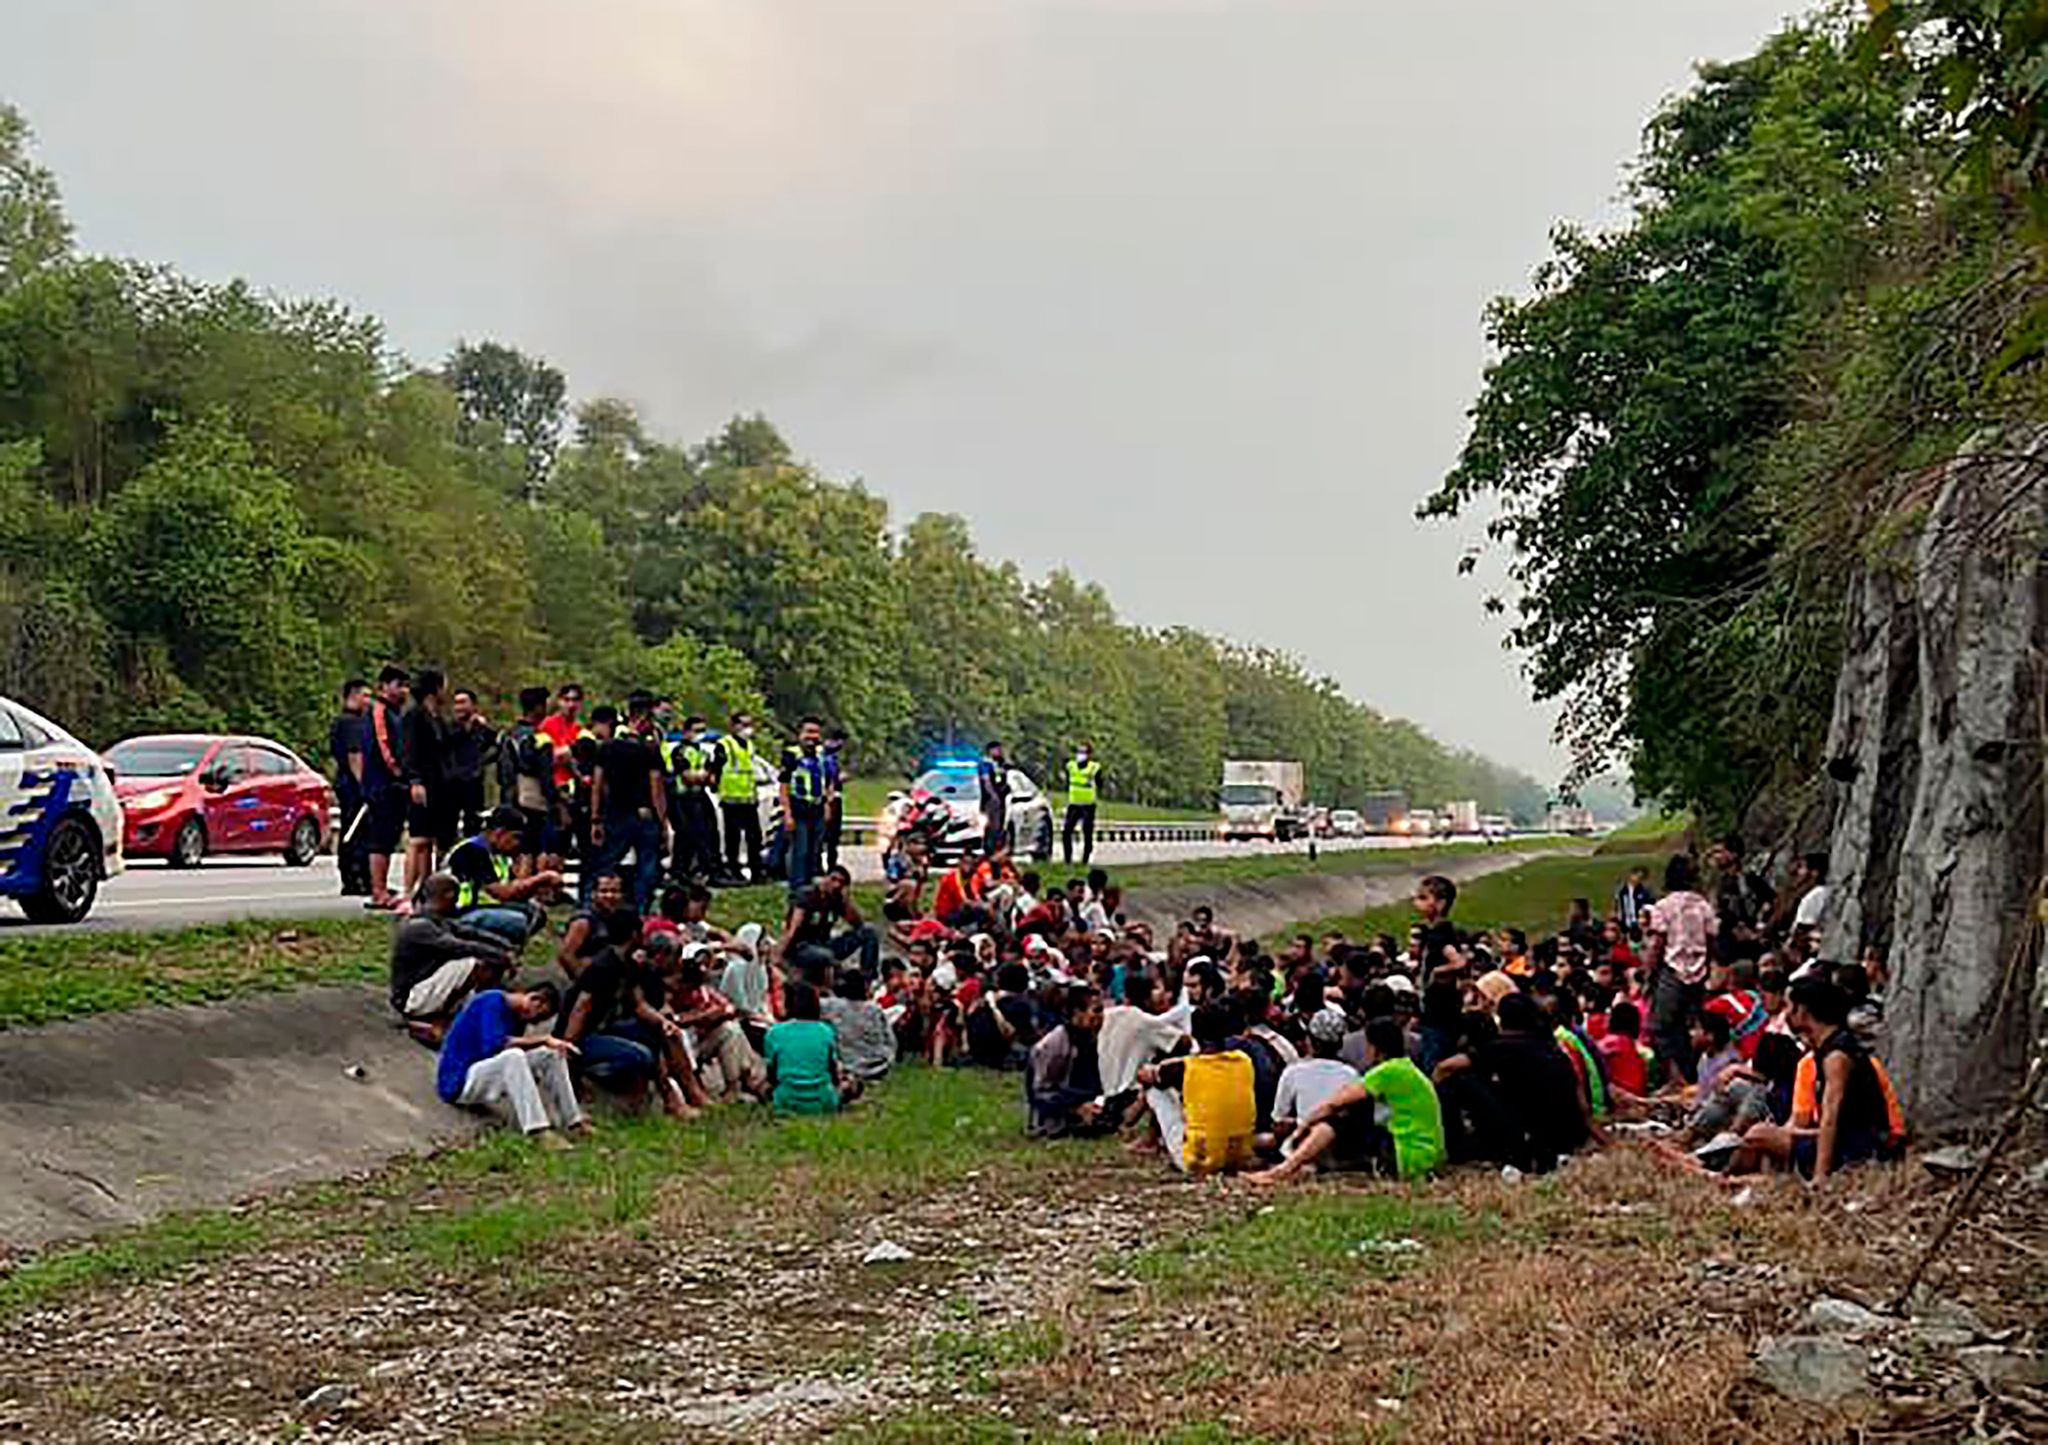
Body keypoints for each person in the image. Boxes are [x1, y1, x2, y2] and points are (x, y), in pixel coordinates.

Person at [1250, 1018, 1446, 1184]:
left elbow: (1334, 1104)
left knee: (1337, 1120)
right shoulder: (1404, 1069)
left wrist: (1302, 1127)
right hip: (1428, 1157)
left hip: (1407, 1157)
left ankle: (1284, 1169)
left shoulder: (1387, 1072)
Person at [1734, 977, 1892, 1181]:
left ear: (1803, 1011)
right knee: (1763, 1136)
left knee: (1759, 1134)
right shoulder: (1823, 1049)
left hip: (1857, 1146)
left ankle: (1725, 1178)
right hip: (1843, 1137)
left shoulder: (1838, 1055)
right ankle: (1732, 1178)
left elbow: (1830, 1118)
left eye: (1789, 1006)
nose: (1786, 1013)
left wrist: (1820, 1176)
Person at [435, 984, 586, 1144]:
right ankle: (538, 1130)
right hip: (459, 1080)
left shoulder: (516, 1018)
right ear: (535, 999)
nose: (533, 1022)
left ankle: (574, 1121)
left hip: (482, 1073)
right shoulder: (491, 1001)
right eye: (538, 1016)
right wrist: (543, 1039)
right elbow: (495, 1045)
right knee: (513, 1056)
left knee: (551, 1055)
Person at [389, 872, 516, 1043]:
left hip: (426, 987)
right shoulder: (419, 926)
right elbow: (461, 946)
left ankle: (453, 1015)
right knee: (478, 964)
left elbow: (472, 933)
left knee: (486, 958)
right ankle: (437, 1018)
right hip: (411, 998)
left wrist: (506, 947)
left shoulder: (437, 920)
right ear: (449, 895)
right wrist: (502, 957)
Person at [1138, 1002, 1256, 1177]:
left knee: (1156, 1092)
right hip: (1239, 1157)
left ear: (1193, 1034)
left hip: (1198, 1160)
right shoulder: (1244, 1061)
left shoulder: (1185, 1067)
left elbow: (1145, 1076)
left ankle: (1150, 1140)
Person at [589, 695, 670, 914]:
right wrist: (663, 822)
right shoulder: (649, 750)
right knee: (647, 866)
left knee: (606, 863)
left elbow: (597, 785)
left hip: (614, 813)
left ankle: (594, 905)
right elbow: (657, 789)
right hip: (643, 816)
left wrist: (595, 818)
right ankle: (641, 909)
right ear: (643, 718)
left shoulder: (606, 748)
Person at [1643, 852, 1718, 1083]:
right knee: (1689, 1027)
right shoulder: (1703, 905)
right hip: (1699, 971)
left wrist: (1648, 972)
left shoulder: (1663, 907)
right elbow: (1712, 938)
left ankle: (1677, 1078)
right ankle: (1693, 1073)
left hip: (1671, 969)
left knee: (1660, 1027)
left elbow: (1658, 943)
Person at [445, 805, 562, 947]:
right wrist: (542, 878)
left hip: (482, 907)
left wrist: (524, 859)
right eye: (515, 838)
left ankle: (501, 950)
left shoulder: (497, 855)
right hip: (459, 913)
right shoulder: (472, 851)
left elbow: (518, 889)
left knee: (535, 913)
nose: (517, 844)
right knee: (518, 922)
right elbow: (504, 893)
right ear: (499, 833)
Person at [1027, 984, 1115, 1137]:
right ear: (1077, 1012)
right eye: (1097, 1010)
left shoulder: (1096, 1038)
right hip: (1061, 1107)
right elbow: (1040, 1093)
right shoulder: (1055, 1044)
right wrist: (1076, 1108)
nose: (1102, 1017)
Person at [762, 980, 860, 1115]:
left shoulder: (774, 1033)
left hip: (785, 1100)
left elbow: (771, 1074)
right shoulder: (826, 1031)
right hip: (823, 1101)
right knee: (851, 1083)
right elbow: (833, 1073)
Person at [1268, 1009, 1363, 1139]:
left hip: (1300, 1148)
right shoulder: (1352, 1075)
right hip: (1339, 1149)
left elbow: (1278, 1122)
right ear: (1340, 1044)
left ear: (1309, 1040)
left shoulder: (1293, 1072)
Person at [361, 665, 411, 911]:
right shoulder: (379, 712)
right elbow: (384, 747)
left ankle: (381, 887)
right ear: (384, 686)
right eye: (398, 685)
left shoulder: (396, 713)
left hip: (392, 785)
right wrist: (400, 774)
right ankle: (378, 891)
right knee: (380, 838)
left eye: (406, 686)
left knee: (389, 838)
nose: (404, 691)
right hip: (383, 784)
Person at [496, 686, 561, 875]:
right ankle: (530, 893)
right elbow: (546, 778)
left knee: (515, 849)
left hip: (510, 799)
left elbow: (501, 771)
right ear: (538, 707)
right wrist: (557, 803)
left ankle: (513, 889)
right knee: (534, 849)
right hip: (534, 802)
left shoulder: (506, 734)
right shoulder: (540, 739)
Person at [401, 668, 452, 902]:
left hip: (438, 785)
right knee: (418, 838)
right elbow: (409, 750)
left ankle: (425, 887)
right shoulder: (415, 716)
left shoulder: (437, 718)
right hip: (421, 782)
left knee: (430, 840)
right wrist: (414, 780)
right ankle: (407, 891)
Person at [781, 865, 881, 980]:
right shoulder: (807, 895)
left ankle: (867, 977)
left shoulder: (836, 899)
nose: (836, 885)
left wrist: (846, 901)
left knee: (869, 933)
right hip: (802, 946)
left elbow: (858, 924)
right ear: (825, 878)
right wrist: (781, 953)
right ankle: (836, 976)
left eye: (841, 882)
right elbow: (793, 928)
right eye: (833, 879)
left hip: (825, 943)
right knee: (826, 956)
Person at [329, 677, 373, 897]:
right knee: (358, 832)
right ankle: (356, 878)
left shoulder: (341, 721)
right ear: (352, 696)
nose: (369, 701)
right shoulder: (351, 722)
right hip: (353, 785)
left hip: (345, 781)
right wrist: (364, 785)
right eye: (365, 696)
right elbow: (355, 755)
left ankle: (355, 878)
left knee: (352, 830)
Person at [779, 716, 831, 896]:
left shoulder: (822, 756)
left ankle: (810, 886)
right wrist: (787, 814)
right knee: (799, 850)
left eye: (816, 732)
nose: (813, 736)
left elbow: (827, 782)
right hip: (798, 808)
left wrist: (827, 806)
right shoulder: (791, 755)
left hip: (817, 808)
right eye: (809, 732)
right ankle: (797, 887)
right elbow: (784, 785)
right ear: (800, 734)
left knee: (814, 850)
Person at [667, 714, 722, 883]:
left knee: (710, 832)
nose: (701, 734)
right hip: (683, 796)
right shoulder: (680, 750)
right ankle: (680, 870)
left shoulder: (703, 751)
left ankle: (709, 869)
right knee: (686, 834)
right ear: (686, 732)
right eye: (697, 731)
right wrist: (704, 776)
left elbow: (711, 778)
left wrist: (705, 776)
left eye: (703, 730)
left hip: (699, 794)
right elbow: (687, 777)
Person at [820, 968, 897, 1083]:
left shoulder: (832, 1006)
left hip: (848, 1066)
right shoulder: (875, 1010)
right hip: (878, 1066)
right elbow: (891, 1041)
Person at [717, 711, 765, 885]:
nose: (747, 729)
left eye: (749, 724)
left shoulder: (749, 745)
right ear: (733, 726)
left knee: (754, 838)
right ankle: (734, 871)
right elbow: (716, 769)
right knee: (733, 839)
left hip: (749, 799)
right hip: (731, 799)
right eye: (743, 724)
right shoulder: (725, 745)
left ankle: (756, 872)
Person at [443, 689, 496, 839]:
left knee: (474, 825)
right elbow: (448, 742)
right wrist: (467, 727)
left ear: (473, 705)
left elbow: (497, 744)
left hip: (473, 782)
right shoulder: (448, 727)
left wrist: (482, 762)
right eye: (456, 703)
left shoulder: (481, 729)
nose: (458, 707)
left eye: (463, 702)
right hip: (450, 783)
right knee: (447, 828)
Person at [537, 682, 588, 797]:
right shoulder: (547, 724)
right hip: (553, 786)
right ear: (559, 701)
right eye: (566, 700)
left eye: (575, 700)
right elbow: (546, 758)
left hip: (574, 787)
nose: (571, 705)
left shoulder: (580, 729)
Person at [1413, 875, 1463, 982]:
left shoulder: (1441, 934)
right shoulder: (1429, 930)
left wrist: (1436, 971)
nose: (1416, 903)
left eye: (1423, 898)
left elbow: (1459, 962)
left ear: (1441, 903)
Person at [1063, 741, 1102, 866]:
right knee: (1067, 831)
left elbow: (1100, 783)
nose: (1081, 755)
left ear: (1089, 755)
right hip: (1073, 803)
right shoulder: (1071, 766)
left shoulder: (1094, 768)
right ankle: (1067, 859)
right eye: (1079, 752)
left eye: (1084, 752)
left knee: (1087, 831)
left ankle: (1085, 859)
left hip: (1088, 804)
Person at [978, 741, 1011, 855]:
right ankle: (989, 851)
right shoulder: (985, 764)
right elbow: (986, 782)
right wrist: (994, 796)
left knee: (999, 828)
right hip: (990, 802)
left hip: (1002, 801)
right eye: (996, 749)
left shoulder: (1001, 764)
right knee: (992, 828)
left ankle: (998, 849)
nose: (999, 752)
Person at [822, 727, 848, 872]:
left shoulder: (831, 757)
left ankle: (830, 863)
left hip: (832, 797)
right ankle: (829, 864)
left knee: (832, 836)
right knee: (831, 835)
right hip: (830, 799)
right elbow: (829, 781)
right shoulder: (827, 758)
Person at [1614, 865, 1656, 937]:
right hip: (1625, 925)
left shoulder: (1645, 892)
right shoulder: (1622, 891)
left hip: (1640, 925)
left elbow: (1651, 905)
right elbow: (1618, 906)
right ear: (1631, 875)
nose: (1638, 880)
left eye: (1641, 878)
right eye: (1637, 876)